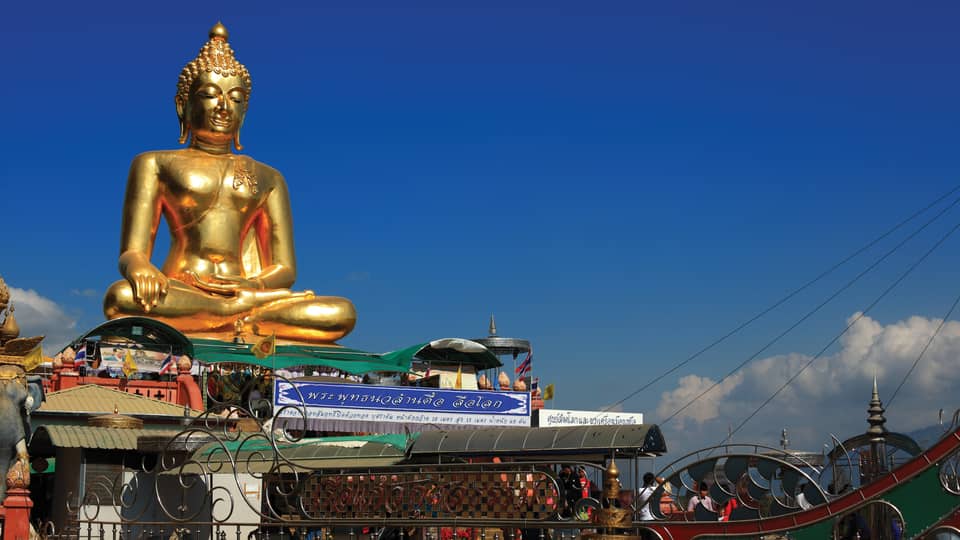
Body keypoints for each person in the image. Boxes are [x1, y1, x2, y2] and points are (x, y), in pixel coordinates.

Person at [103, 23, 356, 345]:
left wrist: (254, 288)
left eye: (235, 99)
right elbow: (132, 251)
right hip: (182, 288)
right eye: (210, 95)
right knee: (120, 297)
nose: (223, 107)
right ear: (183, 105)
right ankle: (236, 316)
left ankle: (228, 316)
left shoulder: (269, 177)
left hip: (249, 292)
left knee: (341, 312)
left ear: (244, 111)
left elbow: (284, 268)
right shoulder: (154, 163)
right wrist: (139, 267)